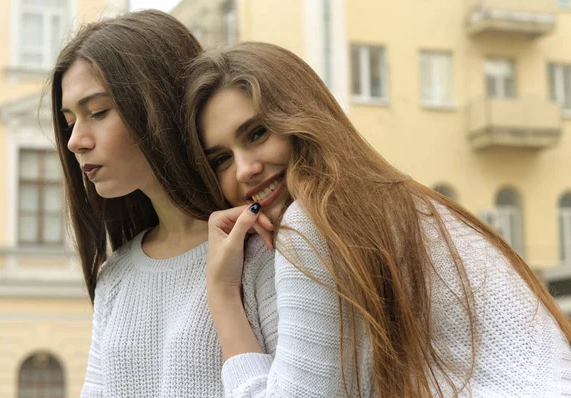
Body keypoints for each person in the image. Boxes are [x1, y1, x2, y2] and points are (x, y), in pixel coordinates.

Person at [183, 42, 571, 397]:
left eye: (257, 133)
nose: (244, 169)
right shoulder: (398, 202)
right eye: (221, 160)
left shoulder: (314, 220)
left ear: (302, 118)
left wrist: (222, 293)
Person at [49, 11, 278, 397]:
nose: (75, 141)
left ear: (157, 103)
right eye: (70, 121)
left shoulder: (260, 246)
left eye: (98, 112)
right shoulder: (116, 276)